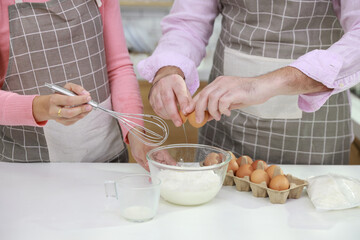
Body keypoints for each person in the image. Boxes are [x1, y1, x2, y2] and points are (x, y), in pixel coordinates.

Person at [138, 0, 360, 165]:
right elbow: (188, 23)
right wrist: (168, 70)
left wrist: (264, 85)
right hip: (227, 128)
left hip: (316, 132)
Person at [0, 0, 150, 170]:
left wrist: (136, 135)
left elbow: (118, 68)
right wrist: (40, 107)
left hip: (106, 164)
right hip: (28, 170)